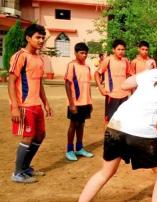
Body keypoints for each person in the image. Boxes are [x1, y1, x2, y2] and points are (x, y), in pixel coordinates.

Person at [79, 52, 157, 202]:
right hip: (142, 132)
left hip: (116, 125)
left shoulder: (152, 73)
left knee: (105, 172)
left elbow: (125, 85)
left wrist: (146, 71)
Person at [8, 24, 53, 183]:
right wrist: (14, 106)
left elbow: (39, 83)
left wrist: (45, 103)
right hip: (24, 105)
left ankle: (26, 168)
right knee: (27, 137)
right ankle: (17, 173)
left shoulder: (40, 58)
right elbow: (11, 81)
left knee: (40, 135)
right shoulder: (20, 56)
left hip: (36, 105)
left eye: (42, 37)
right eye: (37, 37)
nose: (41, 40)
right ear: (28, 38)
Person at [64, 43, 94, 161]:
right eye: (82, 53)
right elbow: (67, 84)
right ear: (76, 53)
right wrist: (72, 103)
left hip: (85, 102)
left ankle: (80, 148)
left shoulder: (87, 67)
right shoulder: (72, 65)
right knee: (73, 125)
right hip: (75, 102)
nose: (84, 55)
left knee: (81, 124)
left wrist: (90, 102)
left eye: (86, 53)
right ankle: (69, 150)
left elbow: (87, 86)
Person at [95, 39, 130, 123]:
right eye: (118, 49)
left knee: (122, 119)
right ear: (113, 50)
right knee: (110, 120)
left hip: (124, 95)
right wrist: (101, 88)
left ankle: (120, 136)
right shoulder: (108, 60)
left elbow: (128, 75)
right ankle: (109, 136)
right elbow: (97, 73)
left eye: (123, 49)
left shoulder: (125, 61)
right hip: (112, 95)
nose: (121, 51)